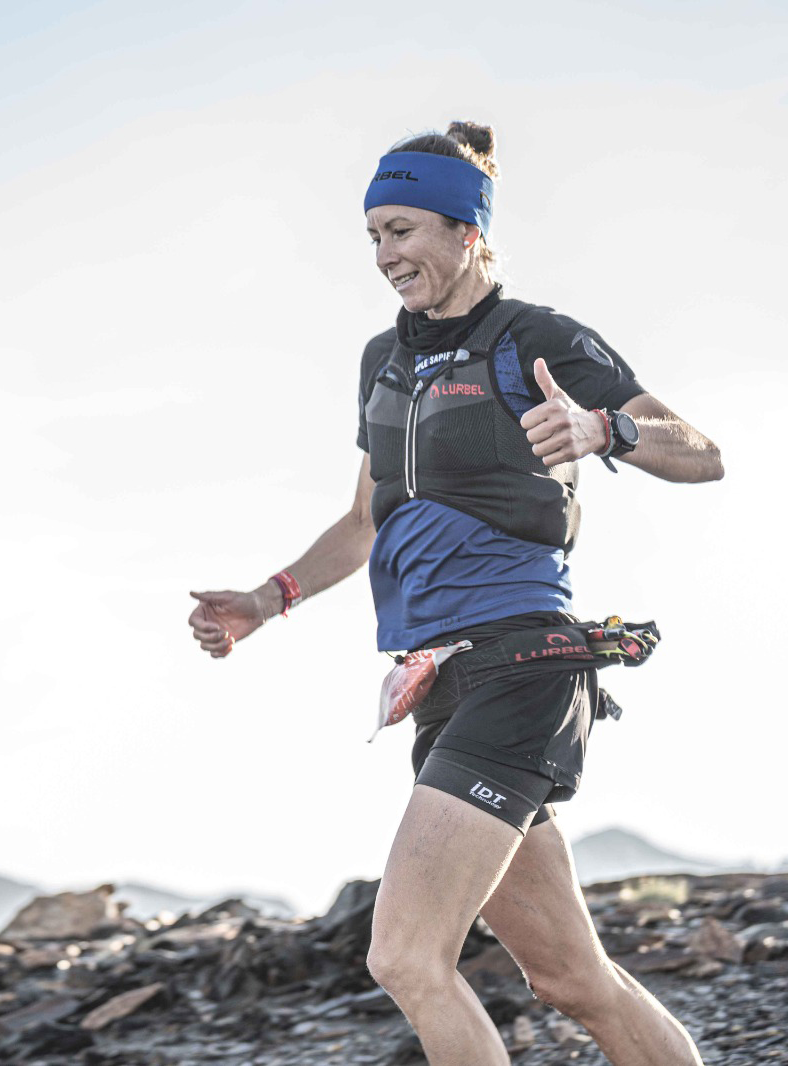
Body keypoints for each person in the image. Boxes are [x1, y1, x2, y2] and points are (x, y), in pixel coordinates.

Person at [185, 121, 722, 1065]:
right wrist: (266, 601)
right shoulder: (382, 362)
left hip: (522, 666)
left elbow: (702, 452)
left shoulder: (535, 338)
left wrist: (607, 432)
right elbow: (365, 519)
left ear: (467, 230)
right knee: (572, 980)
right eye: (373, 236)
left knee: (405, 956)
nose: (385, 256)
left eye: (402, 231)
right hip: (441, 684)